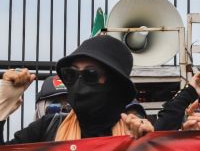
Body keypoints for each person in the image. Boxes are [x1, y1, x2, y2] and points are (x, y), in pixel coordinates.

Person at [0, 35, 153, 143]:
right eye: (70, 74)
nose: (78, 84)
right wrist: (2, 103)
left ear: (114, 84)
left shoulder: (137, 133)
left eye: (90, 74)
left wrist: (148, 143)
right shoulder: (47, 128)